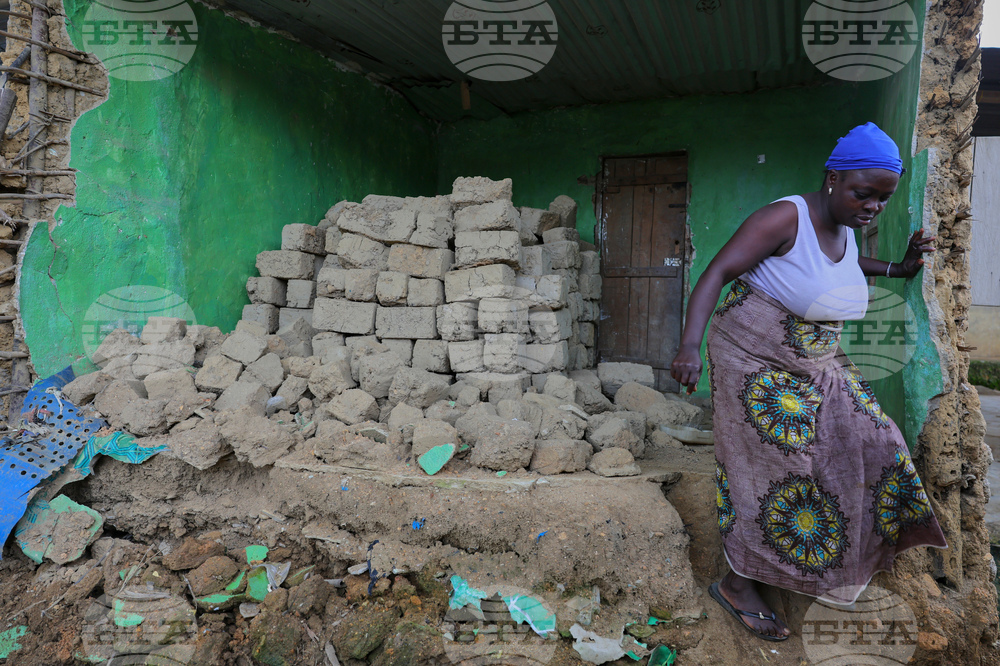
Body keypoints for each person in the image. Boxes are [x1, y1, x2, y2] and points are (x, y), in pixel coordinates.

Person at [669, 122, 947, 641]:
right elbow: (716, 272)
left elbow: (839, 264)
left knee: (875, 436)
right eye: (863, 194)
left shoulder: (844, 228)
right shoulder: (783, 216)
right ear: (832, 179)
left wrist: (900, 267)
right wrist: (688, 346)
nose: (872, 208)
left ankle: (864, 551)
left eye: (882, 200)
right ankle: (738, 583)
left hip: (817, 358)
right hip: (751, 355)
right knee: (783, 463)